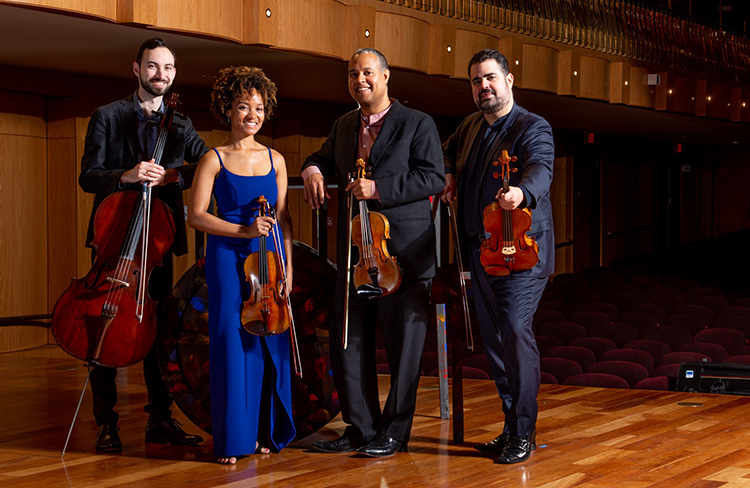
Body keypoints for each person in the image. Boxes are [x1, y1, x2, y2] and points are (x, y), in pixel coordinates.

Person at [302, 48, 444, 457]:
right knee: (348, 340)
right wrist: (312, 170)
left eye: (367, 73)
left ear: (385, 77)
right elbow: (321, 158)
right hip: (355, 255)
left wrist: (379, 189)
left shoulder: (418, 123)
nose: (358, 80)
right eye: (351, 74)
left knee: (404, 350)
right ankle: (360, 427)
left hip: (402, 253)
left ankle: (394, 433)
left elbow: (432, 177)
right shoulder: (345, 124)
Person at [79, 38, 208, 453]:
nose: (162, 75)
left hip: (157, 241)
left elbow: (207, 164)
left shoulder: (181, 124)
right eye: (153, 67)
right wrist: (127, 175)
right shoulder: (107, 116)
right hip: (115, 237)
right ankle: (106, 423)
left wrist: (172, 178)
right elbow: (88, 176)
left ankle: (159, 420)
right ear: (136, 69)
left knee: (160, 327)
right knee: (104, 326)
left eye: (169, 68)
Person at [441, 49, 555, 464]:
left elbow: (541, 166)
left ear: (509, 80)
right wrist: (450, 171)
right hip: (481, 253)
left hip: (522, 254)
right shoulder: (471, 125)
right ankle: (511, 428)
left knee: (514, 332)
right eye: (475, 81)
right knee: (494, 344)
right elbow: (446, 151)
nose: (483, 86)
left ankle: (523, 433)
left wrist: (521, 192)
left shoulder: (532, 126)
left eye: (490, 78)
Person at [187, 66, 296, 465]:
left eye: (259, 108)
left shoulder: (277, 159)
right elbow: (196, 216)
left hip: (269, 259)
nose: (253, 114)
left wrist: (289, 270)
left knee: (267, 339)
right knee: (232, 342)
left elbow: (283, 218)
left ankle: (265, 432)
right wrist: (242, 230)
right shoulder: (213, 159)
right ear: (227, 109)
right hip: (226, 256)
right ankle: (234, 439)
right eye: (243, 106)